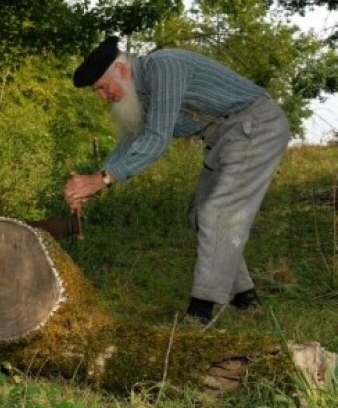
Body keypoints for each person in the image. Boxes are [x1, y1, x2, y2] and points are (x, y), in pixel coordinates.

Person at [63, 36, 290, 326]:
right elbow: (132, 139)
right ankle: (244, 297)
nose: (103, 97)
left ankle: (200, 313)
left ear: (120, 70)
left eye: (102, 88)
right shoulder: (141, 92)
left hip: (256, 126)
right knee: (199, 215)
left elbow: (156, 138)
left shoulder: (164, 67)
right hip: (226, 138)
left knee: (217, 213)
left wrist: (102, 179)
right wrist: (92, 182)